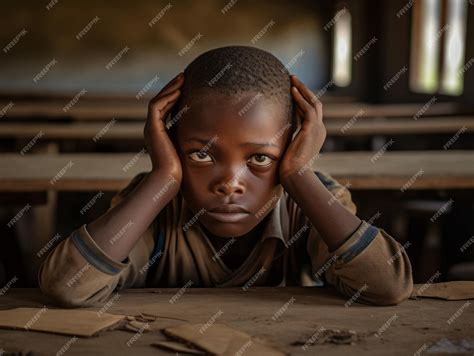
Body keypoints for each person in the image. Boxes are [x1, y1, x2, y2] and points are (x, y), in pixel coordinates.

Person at [39, 46, 413, 307]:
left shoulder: (312, 201)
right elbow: (67, 287)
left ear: (296, 145)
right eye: (201, 154)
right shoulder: (153, 204)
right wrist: (163, 178)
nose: (230, 183)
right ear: (170, 144)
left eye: (261, 158)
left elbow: (387, 287)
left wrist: (299, 175)